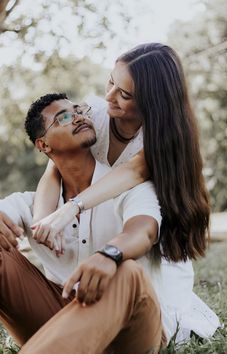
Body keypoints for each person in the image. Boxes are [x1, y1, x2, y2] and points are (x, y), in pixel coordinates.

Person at [0, 43, 220, 346]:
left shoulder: (151, 159)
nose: (108, 97)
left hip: (140, 288)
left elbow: (137, 205)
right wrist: (45, 221)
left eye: (124, 95)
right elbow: (55, 169)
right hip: (70, 300)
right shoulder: (96, 117)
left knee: (126, 273)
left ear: (151, 104)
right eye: (110, 82)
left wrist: (81, 219)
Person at [0, 93, 166, 354]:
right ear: (43, 145)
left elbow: (144, 231)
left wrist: (110, 255)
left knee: (127, 271)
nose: (78, 116)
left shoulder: (126, 187)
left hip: (130, 327)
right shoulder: (32, 204)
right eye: (63, 117)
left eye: (78, 110)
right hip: (60, 316)